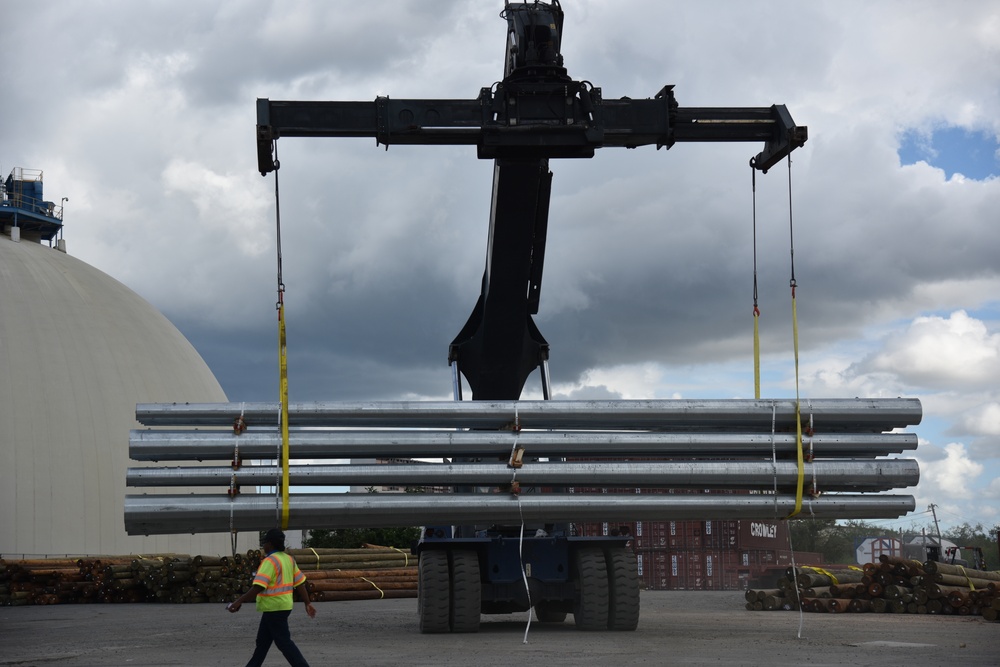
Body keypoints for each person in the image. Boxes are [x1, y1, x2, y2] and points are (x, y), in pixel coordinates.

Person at [228, 528, 316, 667]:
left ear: (270, 544)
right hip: (281, 607)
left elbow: (259, 586)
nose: (263, 547)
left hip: (274, 608)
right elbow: (300, 583)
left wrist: (239, 601)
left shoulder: (270, 561)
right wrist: (307, 603)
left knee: (284, 643)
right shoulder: (289, 560)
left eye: (264, 543)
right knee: (262, 643)